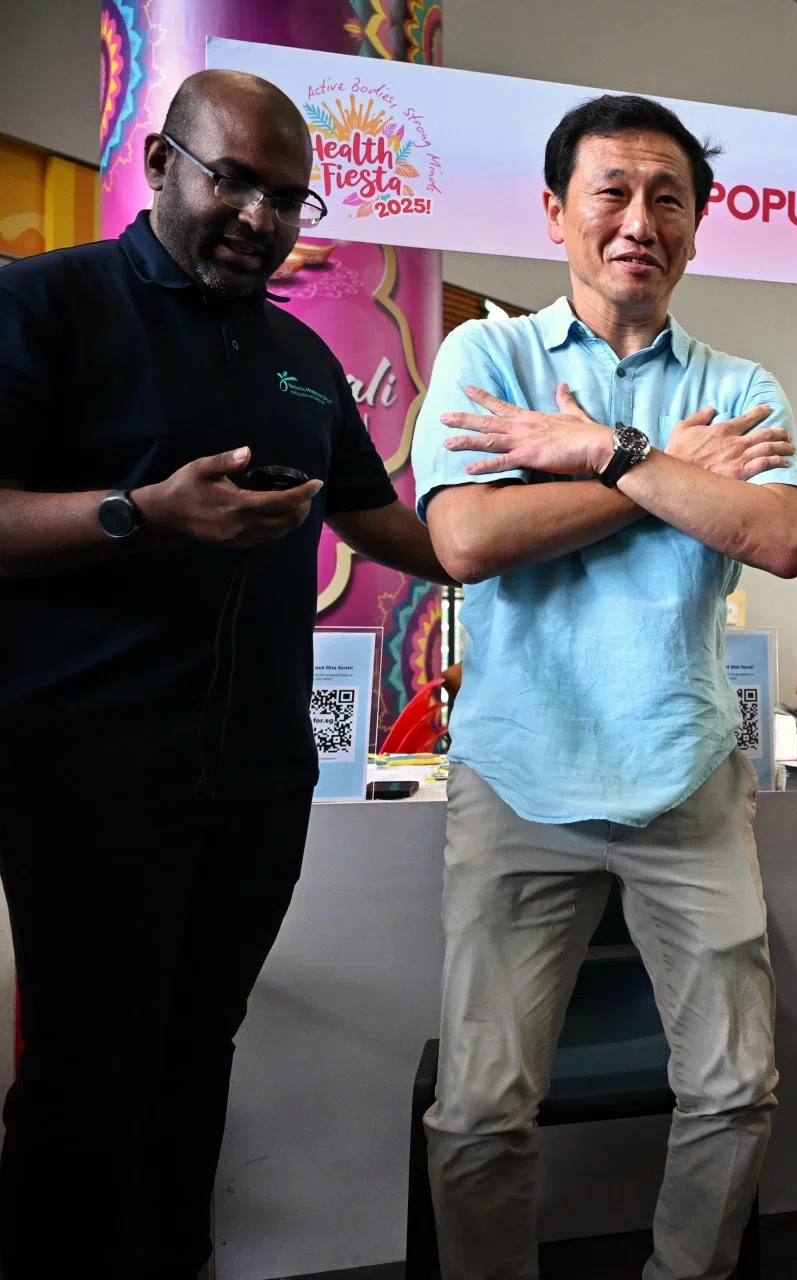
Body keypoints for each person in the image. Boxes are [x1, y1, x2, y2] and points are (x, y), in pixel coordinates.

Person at [0, 71, 450, 1275]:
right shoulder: (43, 304)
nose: (259, 216)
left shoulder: (302, 357)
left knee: (200, 1046)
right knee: (89, 1068)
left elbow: (386, 523)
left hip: (257, 779)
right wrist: (138, 513)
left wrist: (578, 507)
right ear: (160, 164)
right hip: (85, 776)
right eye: (232, 180)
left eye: (287, 199)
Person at [410, 94, 797, 1280]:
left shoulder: (742, 384)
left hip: (684, 774)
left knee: (738, 1087)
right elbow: (470, 540)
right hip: (519, 773)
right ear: (555, 212)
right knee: (481, 1109)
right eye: (612, 192)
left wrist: (604, 450)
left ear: (699, 224)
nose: (640, 219)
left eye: (667, 197)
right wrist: (679, 473)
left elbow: (778, 535)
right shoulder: (488, 355)